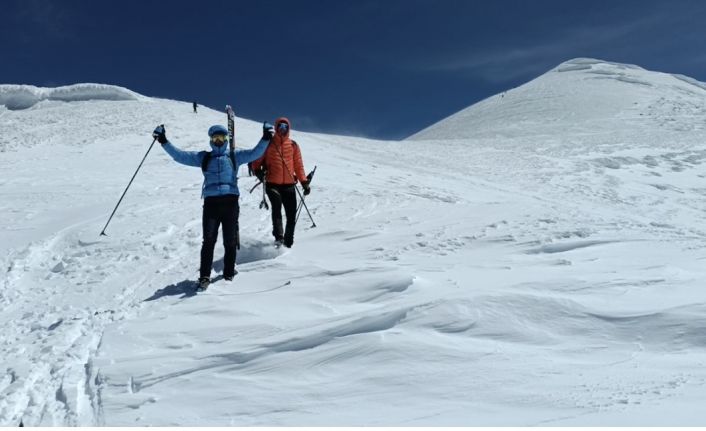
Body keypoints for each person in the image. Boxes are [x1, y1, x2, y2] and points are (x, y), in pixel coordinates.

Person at [153, 122, 274, 290]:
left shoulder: (234, 155)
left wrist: (265, 137)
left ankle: (229, 273)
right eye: (215, 137)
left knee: (230, 240)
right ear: (211, 139)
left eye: (221, 137)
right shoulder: (204, 157)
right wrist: (163, 140)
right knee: (208, 241)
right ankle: (204, 276)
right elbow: (180, 156)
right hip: (211, 204)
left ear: (226, 139)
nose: (218, 140)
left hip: (230, 202)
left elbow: (255, 153)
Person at [251, 117, 310, 248]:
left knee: (291, 214)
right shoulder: (268, 144)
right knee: (276, 207)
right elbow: (256, 161)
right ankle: (279, 237)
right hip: (272, 184)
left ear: (288, 129)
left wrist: (304, 182)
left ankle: (288, 242)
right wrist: (257, 171)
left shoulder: (293, 145)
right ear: (276, 127)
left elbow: (298, 165)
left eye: (285, 127)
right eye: (280, 127)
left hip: (289, 185)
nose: (282, 129)